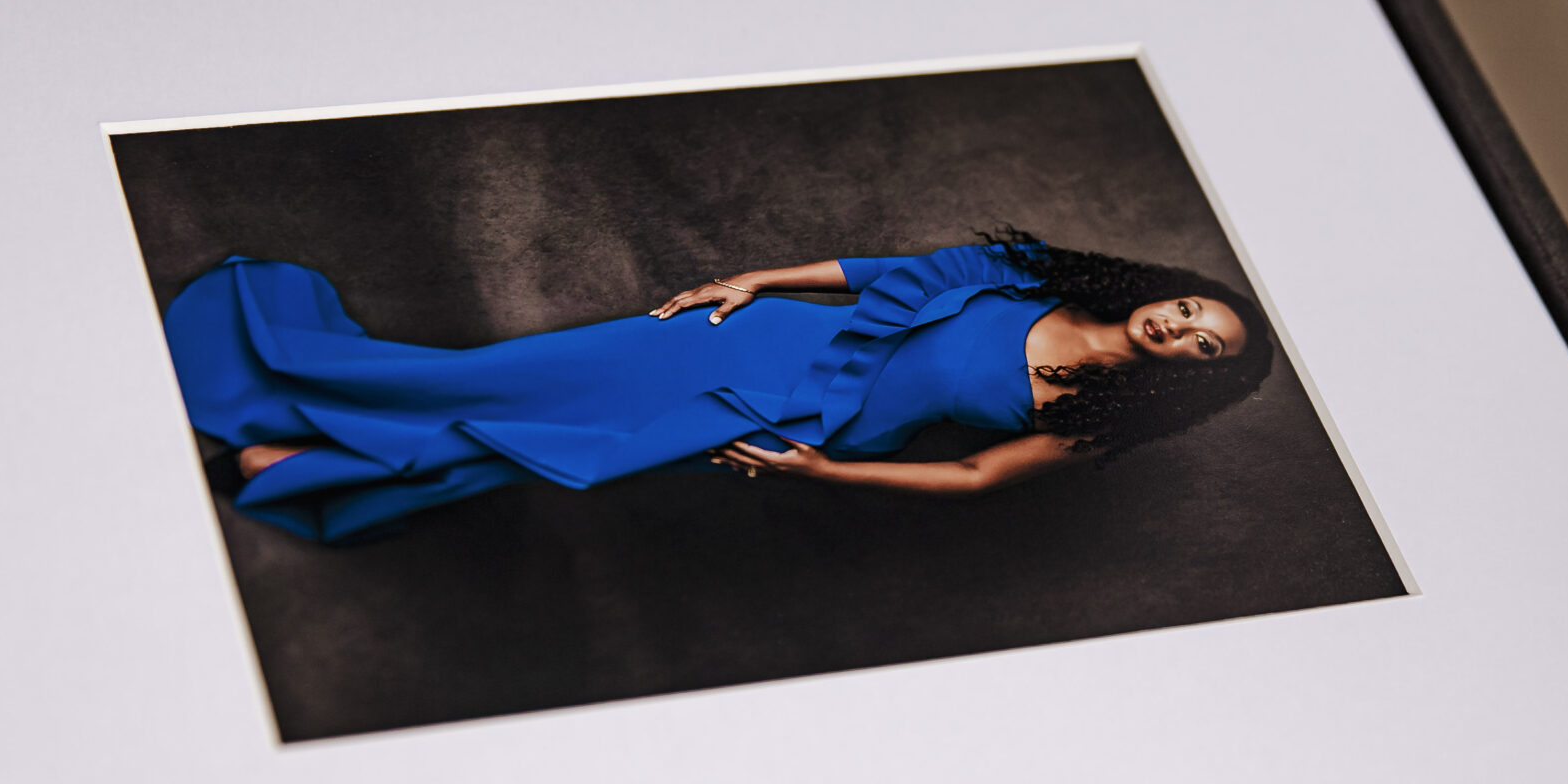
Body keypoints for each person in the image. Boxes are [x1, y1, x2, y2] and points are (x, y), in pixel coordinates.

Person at [163, 230, 1271, 544]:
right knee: (511, 380)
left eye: (1203, 347)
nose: (1180, 328)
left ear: (1191, 378)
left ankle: (307, 462)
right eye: (1191, 308)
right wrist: (757, 279)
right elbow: (880, 273)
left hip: (792, 418)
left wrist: (824, 471)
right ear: (1166, 290)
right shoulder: (1030, 273)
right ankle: (297, 417)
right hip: (751, 342)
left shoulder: (1085, 419)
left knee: (566, 452)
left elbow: (978, 475)